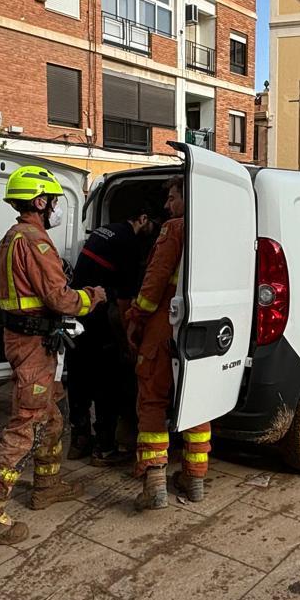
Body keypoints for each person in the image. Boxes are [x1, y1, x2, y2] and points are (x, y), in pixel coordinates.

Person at [0, 165, 105, 546]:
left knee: (53, 417)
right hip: (33, 349)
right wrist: (92, 297)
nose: (58, 208)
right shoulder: (36, 243)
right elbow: (61, 299)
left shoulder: (9, 239)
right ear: (40, 202)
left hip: (26, 341)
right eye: (55, 201)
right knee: (23, 428)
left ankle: (47, 485)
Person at [126, 179, 210, 509]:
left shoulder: (175, 228)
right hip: (206, 327)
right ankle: (195, 477)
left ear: (186, 198)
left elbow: (155, 281)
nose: (167, 205)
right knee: (199, 401)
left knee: (152, 399)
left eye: (172, 197)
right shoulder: (223, 228)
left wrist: (136, 316)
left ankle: (155, 481)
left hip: (166, 325)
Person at [66, 203, 160, 463]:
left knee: (78, 378)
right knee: (106, 382)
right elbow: (123, 304)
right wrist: (127, 341)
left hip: (78, 315)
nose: (152, 232)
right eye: (151, 226)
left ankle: (79, 439)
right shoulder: (128, 242)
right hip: (98, 317)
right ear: (142, 217)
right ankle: (105, 447)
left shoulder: (103, 231)